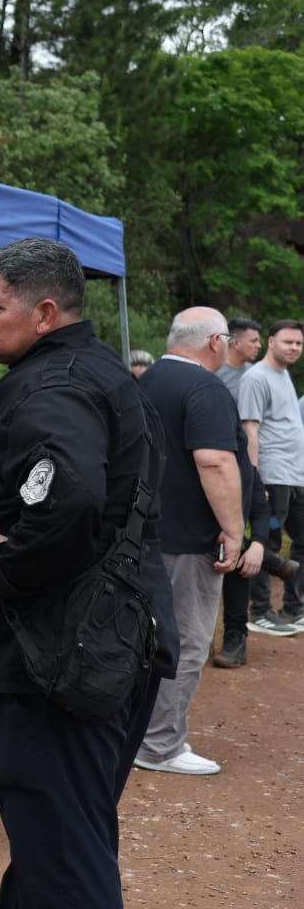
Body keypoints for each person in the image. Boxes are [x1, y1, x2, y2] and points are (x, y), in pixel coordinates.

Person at [0, 237, 177, 908]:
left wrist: (2, 569)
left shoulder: (56, 385)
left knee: (62, 861)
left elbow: (70, 494)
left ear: (45, 312)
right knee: (65, 841)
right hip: (103, 641)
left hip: (57, 659)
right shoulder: (103, 373)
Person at [131, 308, 243, 775]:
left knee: (145, 638)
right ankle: (159, 745)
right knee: (188, 641)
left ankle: (138, 734)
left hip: (141, 532)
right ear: (216, 341)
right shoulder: (205, 387)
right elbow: (215, 461)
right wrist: (235, 531)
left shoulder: (145, 380)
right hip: (185, 540)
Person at [237, 319, 304, 635]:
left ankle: (294, 606)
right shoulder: (255, 377)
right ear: (271, 341)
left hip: (295, 477)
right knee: (269, 541)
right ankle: (260, 611)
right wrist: (255, 479)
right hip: (272, 475)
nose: (294, 348)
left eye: (299, 344)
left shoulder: (284, 375)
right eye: (288, 342)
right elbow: (250, 429)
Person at [216, 316, 261, 400]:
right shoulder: (214, 372)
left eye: (258, 341)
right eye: (253, 341)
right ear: (236, 343)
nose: (259, 346)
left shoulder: (253, 371)